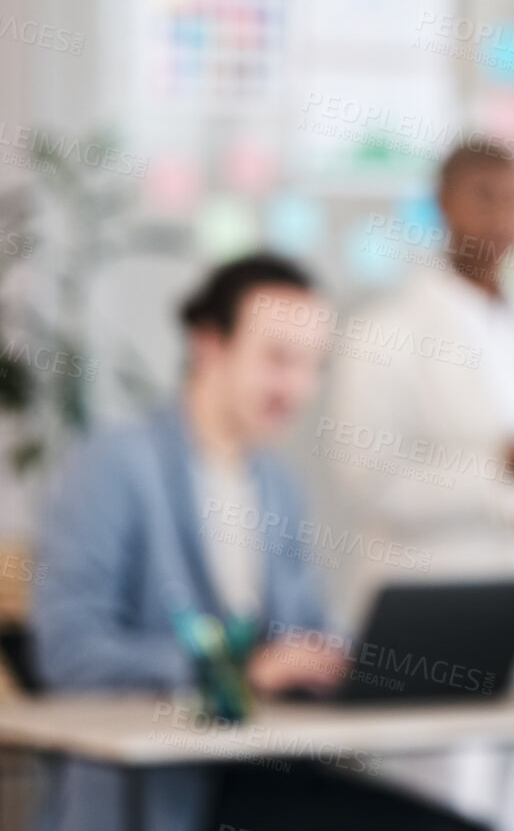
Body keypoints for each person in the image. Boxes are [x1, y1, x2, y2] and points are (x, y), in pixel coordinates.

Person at [29, 254, 475, 831]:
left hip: (266, 769)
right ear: (209, 345)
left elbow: (304, 626)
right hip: (168, 792)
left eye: (314, 365)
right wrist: (240, 670)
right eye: (279, 359)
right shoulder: (114, 467)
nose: (299, 387)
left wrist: (343, 658)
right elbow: (70, 656)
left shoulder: (277, 485)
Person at [325, 136, 514, 831]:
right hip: (443, 626)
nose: (501, 218)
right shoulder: (385, 332)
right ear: (442, 206)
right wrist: (500, 469)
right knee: (443, 813)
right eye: (483, 198)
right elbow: (369, 480)